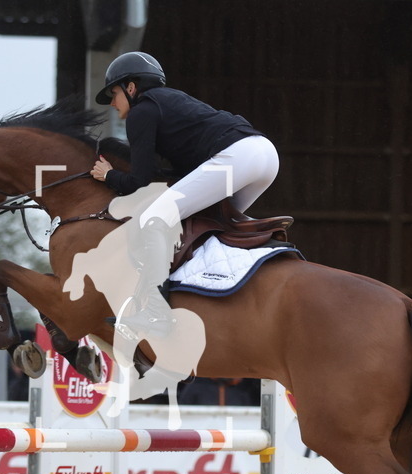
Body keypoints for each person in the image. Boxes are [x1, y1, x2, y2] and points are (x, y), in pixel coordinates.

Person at [90, 51, 279, 337]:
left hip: (237, 157)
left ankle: (155, 312)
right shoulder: (171, 103)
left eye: (114, 94)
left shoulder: (142, 111)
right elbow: (172, 176)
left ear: (131, 87)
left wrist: (109, 175)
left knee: (154, 217)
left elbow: (139, 182)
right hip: (264, 155)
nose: (112, 104)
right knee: (215, 222)